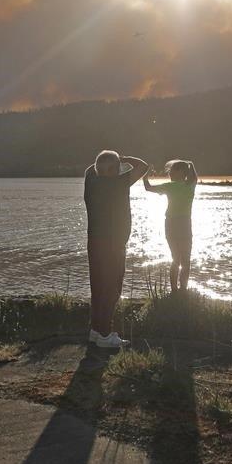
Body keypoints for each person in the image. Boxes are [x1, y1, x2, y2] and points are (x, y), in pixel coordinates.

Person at [84, 149, 149, 348]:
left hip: (94, 242)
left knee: (98, 287)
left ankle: (96, 331)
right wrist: (125, 158)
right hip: (114, 244)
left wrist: (104, 164)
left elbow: (89, 170)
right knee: (112, 288)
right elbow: (143, 166)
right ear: (115, 169)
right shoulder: (118, 183)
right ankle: (105, 334)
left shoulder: (91, 183)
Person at [143, 160, 198, 292]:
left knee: (180, 259)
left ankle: (179, 289)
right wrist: (191, 164)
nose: (170, 173)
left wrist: (145, 176)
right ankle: (178, 290)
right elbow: (148, 188)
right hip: (180, 224)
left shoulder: (184, 185)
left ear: (182, 173)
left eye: (173, 171)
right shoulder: (188, 185)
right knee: (182, 259)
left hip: (176, 224)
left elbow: (147, 187)